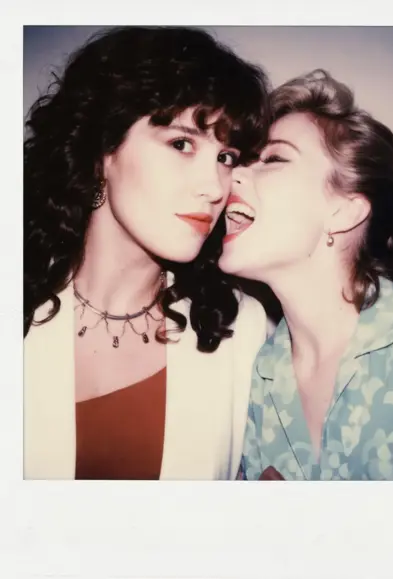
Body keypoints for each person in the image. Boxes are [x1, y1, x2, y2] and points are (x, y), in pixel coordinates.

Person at [24, 26, 271, 480]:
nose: (215, 188)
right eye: (181, 144)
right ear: (103, 149)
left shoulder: (241, 328)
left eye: (226, 157)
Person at [220, 69, 393, 480]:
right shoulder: (258, 373)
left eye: (274, 159)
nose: (233, 174)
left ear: (344, 212)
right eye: (244, 161)